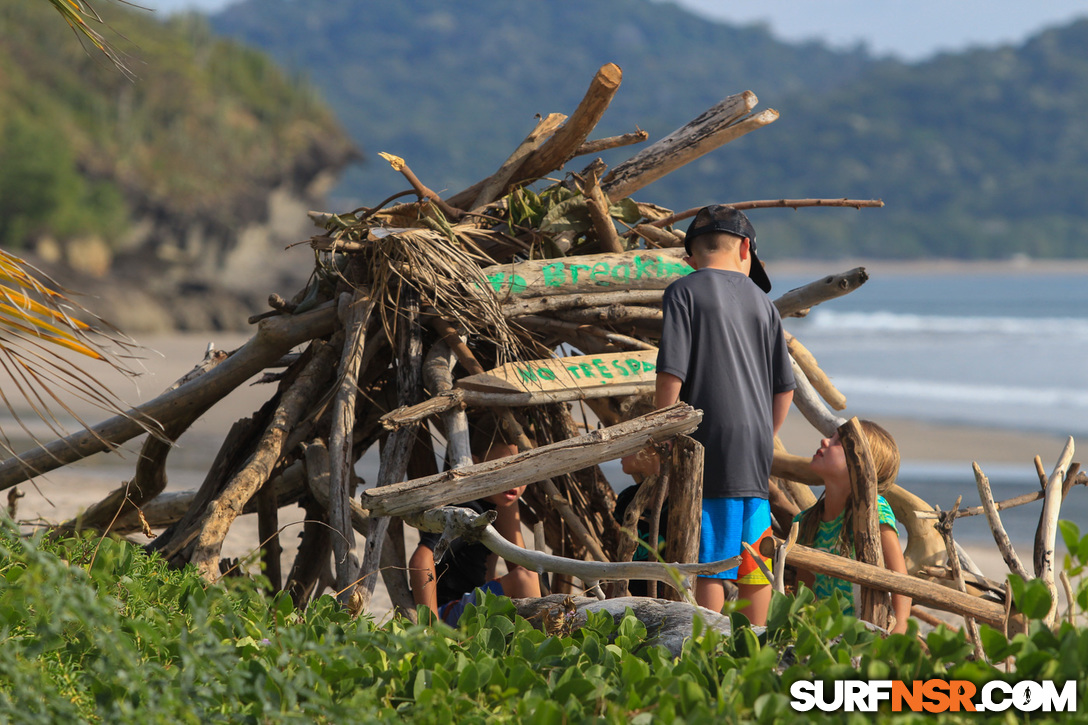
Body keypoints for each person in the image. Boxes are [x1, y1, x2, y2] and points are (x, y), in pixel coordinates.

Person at [651, 204, 796, 625]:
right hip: (754, 442)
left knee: (710, 557)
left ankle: (708, 644)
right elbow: (783, 388)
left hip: (708, 438)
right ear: (746, 248)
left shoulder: (684, 291)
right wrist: (764, 434)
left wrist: (661, 433)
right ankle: (756, 640)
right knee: (754, 552)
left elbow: (671, 374)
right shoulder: (763, 303)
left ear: (691, 256)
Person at [794, 420, 912, 634]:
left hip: (867, 632)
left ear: (860, 464)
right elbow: (804, 593)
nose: (825, 441)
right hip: (823, 636)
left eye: (838, 442)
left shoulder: (875, 511)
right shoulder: (805, 522)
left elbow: (900, 580)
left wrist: (901, 626)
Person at [408, 441, 540, 624]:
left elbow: (519, 560)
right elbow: (420, 560)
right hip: (447, 612)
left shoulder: (494, 504)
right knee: (525, 578)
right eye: (504, 467)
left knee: (526, 575)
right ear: (475, 464)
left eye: (522, 471)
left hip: (468, 605)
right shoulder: (466, 510)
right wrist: (431, 627)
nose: (514, 480)